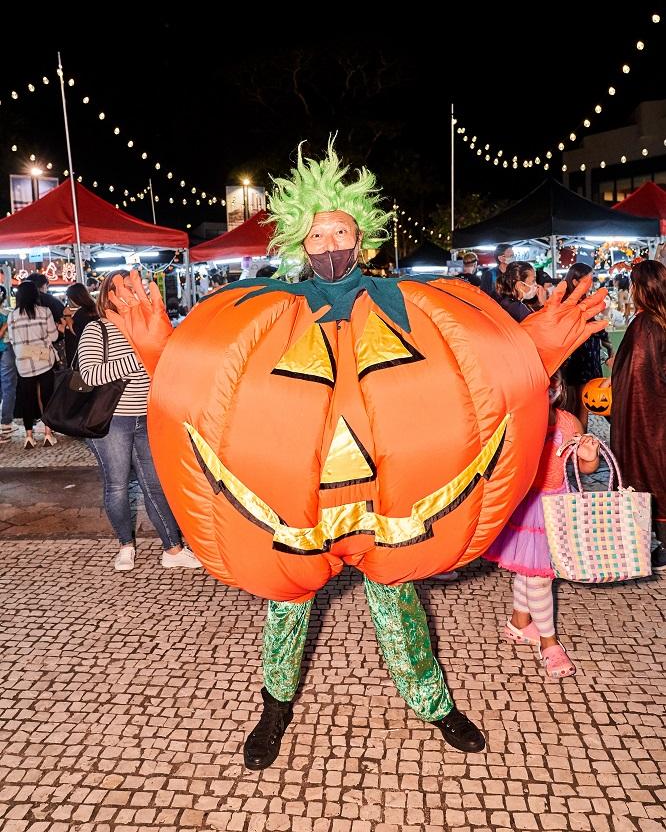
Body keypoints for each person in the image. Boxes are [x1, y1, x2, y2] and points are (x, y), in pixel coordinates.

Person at [107, 139, 607, 771]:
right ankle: (275, 703)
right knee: (286, 607)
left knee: (398, 603)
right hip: (296, 500)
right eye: (318, 237)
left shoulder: (418, 306)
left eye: (342, 231)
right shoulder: (266, 312)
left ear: (362, 238)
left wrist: (532, 353)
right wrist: (160, 352)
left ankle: (434, 704)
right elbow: (217, 390)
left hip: (388, 502)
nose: (331, 245)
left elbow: (472, 372)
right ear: (300, 245)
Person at [78, 270, 203, 573]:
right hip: (113, 420)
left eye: (135, 291)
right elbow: (90, 374)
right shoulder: (98, 329)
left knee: (156, 485)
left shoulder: (152, 326)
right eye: (123, 291)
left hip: (149, 416)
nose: (131, 297)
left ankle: (172, 548)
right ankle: (125, 544)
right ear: (109, 295)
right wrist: (138, 356)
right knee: (117, 485)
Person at [485, 369, 600, 677]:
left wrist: (590, 455)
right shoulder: (516, 421)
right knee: (537, 575)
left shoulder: (567, 421)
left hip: (555, 504)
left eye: (550, 385)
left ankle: (519, 622)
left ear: (557, 389)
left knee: (533, 570)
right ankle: (549, 644)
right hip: (527, 506)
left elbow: (585, 467)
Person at [610, 259, 666, 572]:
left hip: (648, 419)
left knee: (649, 472)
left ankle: (658, 545)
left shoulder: (645, 325)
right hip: (658, 414)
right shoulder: (657, 321)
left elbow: (638, 375)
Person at [561, 264, 613, 431]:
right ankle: (578, 440)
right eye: (587, 280)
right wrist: (606, 340)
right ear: (576, 282)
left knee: (574, 401)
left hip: (579, 356)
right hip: (580, 357)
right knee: (581, 402)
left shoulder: (577, 301)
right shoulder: (572, 303)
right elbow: (593, 329)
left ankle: (573, 439)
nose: (591, 283)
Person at [7, 281, 58, 448]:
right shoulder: (44, 312)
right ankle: (48, 434)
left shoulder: (12, 316)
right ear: (36, 294)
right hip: (43, 358)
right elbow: (54, 337)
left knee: (27, 398)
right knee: (47, 396)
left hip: (23, 362)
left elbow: (13, 340)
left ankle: (28, 436)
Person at [63, 283, 99, 366]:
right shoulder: (94, 308)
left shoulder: (82, 312)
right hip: (93, 351)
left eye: (68, 298)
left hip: (81, 354)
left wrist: (67, 316)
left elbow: (76, 331)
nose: (68, 301)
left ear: (74, 298)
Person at [0, 287, 18, 442]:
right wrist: (6, 326)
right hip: (5, 350)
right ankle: (6, 422)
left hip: (5, 351)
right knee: (8, 386)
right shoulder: (6, 314)